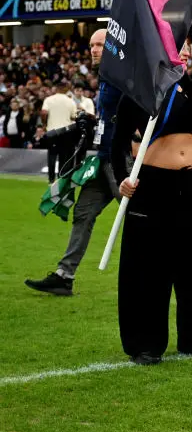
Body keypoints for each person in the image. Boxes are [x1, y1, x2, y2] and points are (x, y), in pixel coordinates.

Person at [112, 43, 192, 365]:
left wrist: (182, 77)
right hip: (151, 185)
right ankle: (145, 343)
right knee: (148, 265)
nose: (186, 55)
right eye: (179, 51)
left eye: (188, 52)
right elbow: (116, 144)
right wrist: (123, 178)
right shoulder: (138, 92)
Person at [25, 30, 123, 296]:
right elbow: (111, 118)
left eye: (100, 45)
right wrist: (92, 123)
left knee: (140, 216)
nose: (93, 49)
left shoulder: (123, 76)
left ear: (113, 47)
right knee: (83, 214)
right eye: (91, 45)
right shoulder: (104, 78)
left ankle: (163, 273)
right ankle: (64, 276)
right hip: (102, 158)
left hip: (118, 158)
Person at [41, 79, 79, 183]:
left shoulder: (49, 99)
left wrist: (44, 124)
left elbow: (44, 113)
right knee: (63, 156)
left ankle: (51, 179)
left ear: (56, 88)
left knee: (52, 155)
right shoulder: (70, 101)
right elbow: (74, 117)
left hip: (52, 131)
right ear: (65, 89)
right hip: (65, 132)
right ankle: (61, 178)